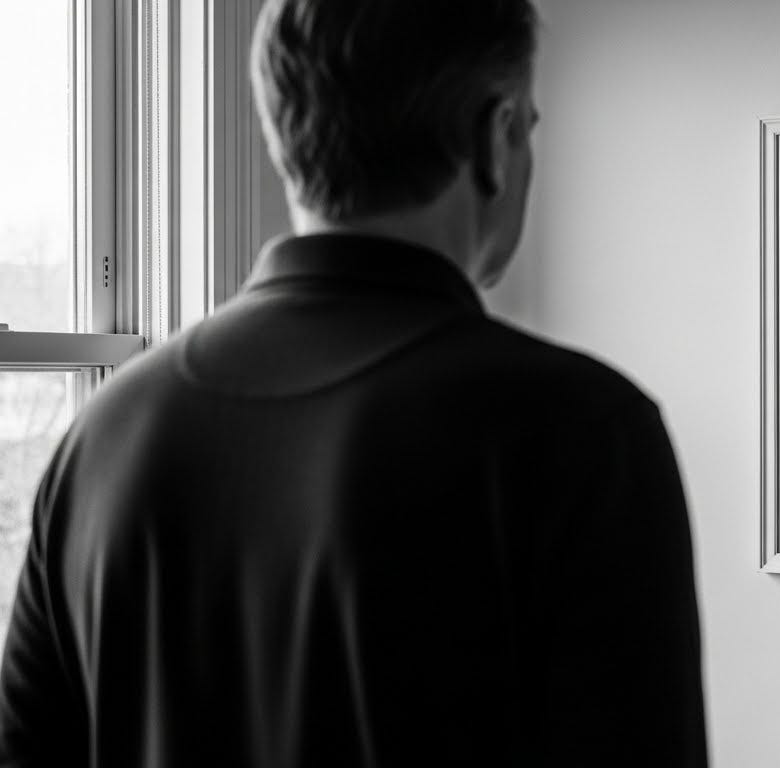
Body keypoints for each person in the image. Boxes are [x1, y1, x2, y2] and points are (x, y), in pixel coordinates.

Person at [0, 1, 707, 765]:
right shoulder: (579, 432)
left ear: (281, 133)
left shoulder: (103, 437)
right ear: (495, 138)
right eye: (528, 125)